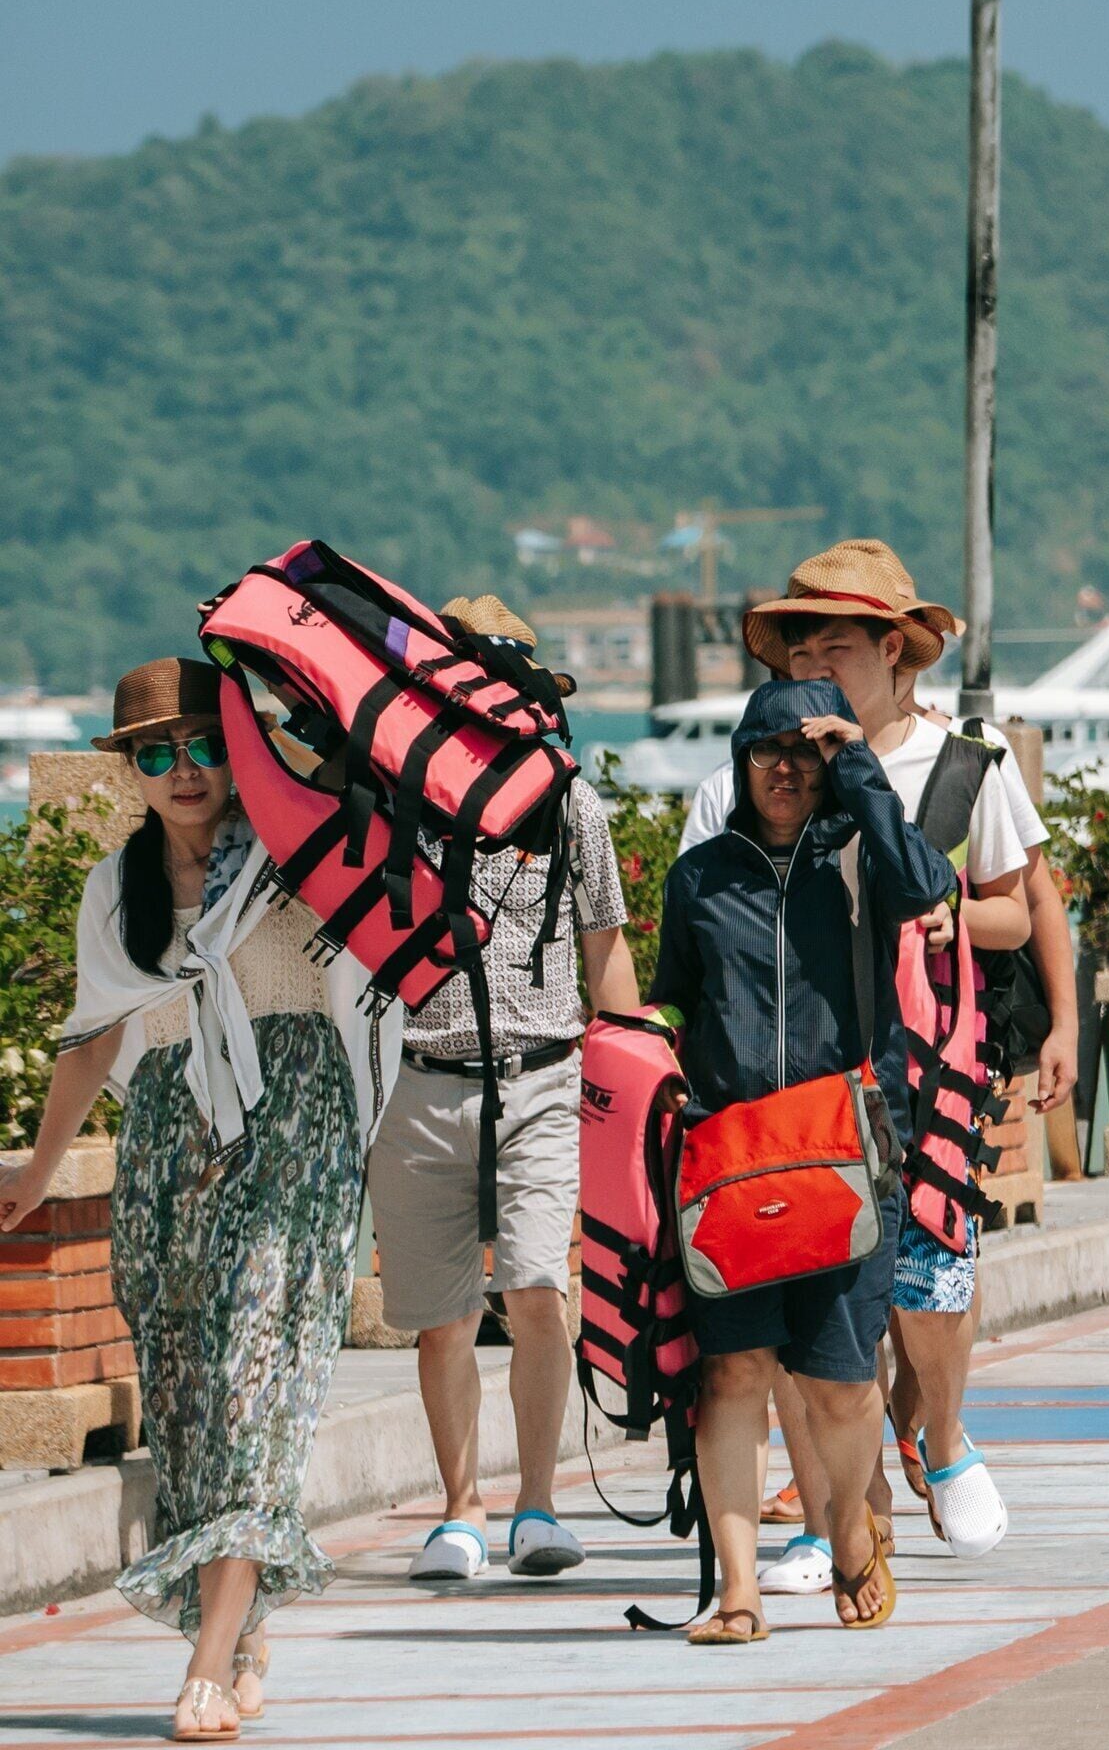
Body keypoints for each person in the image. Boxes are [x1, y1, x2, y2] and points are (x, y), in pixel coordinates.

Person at [1, 662, 391, 1740]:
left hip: (298, 1130)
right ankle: (238, 1618)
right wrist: (37, 1175)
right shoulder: (113, 890)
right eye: (156, 752)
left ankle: (209, 1666)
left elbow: (385, 893)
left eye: (204, 745)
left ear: (240, 748)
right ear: (129, 768)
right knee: (183, 1397)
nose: (184, 770)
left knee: (253, 1386)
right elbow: (89, 1042)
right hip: (171, 1138)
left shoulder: (295, 855)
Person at [678, 541, 1059, 1580]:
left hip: (929, 1061)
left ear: (895, 650)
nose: (813, 661)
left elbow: (1023, 908)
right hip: (796, 1087)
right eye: (797, 644)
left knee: (931, 1275)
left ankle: (941, 1437)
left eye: (833, 643)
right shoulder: (751, 785)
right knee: (818, 1303)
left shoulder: (962, 764)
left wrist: (951, 930)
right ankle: (834, 1512)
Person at [649, 677, 955, 1644]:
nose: (785, 768)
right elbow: (677, 1006)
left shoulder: (861, 859)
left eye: (806, 752)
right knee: (732, 1375)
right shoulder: (699, 877)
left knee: (839, 1382)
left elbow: (929, 883)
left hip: (846, 1152)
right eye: (766, 750)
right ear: (740, 762)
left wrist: (858, 763)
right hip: (733, 1159)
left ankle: (852, 1536)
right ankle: (737, 1592)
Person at [373, 598, 634, 1587]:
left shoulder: (568, 802)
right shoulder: (392, 798)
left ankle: (537, 1504)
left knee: (537, 1288)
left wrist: (635, 1083)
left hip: (541, 1079)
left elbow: (607, 953)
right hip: (420, 1081)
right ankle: (458, 1510)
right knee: (440, 1316)